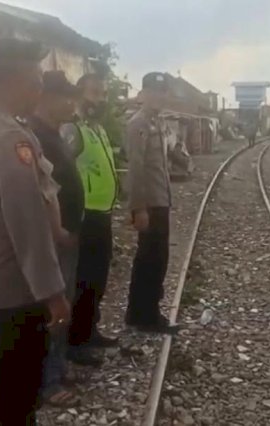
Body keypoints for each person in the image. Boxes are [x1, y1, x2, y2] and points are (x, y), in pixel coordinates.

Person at [0, 38, 70, 425]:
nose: (40, 89)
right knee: (17, 388)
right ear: (12, 82)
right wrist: (53, 292)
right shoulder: (9, 137)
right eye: (35, 80)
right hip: (14, 283)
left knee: (3, 382)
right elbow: (26, 221)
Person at [28, 70, 86, 408]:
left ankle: (59, 365)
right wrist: (58, 231)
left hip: (67, 236)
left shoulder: (55, 134)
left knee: (64, 305)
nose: (71, 103)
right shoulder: (35, 136)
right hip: (55, 238)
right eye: (66, 97)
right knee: (52, 308)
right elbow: (42, 194)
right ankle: (47, 381)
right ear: (47, 98)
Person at [60, 69, 121, 358]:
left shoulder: (98, 129)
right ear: (79, 96)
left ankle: (91, 330)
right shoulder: (73, 130)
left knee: (98, 277)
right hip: (85, 216)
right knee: (83, 279)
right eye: (95, 93)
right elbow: (62, 170)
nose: (101, 99)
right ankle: (76, 340)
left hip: (102, 213)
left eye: (103, 94)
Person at [124, 72, 179, 334]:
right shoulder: (139, 125)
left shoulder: (158, 122)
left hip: (161, 200)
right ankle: (143, 315)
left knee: (158, 258)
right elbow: (136, 168)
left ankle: (144, 311)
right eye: (153, 92)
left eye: (162, 92)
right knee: (149, 259)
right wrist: (138, 208)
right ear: (143, 93)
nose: (158, 97)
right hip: (150, 203)